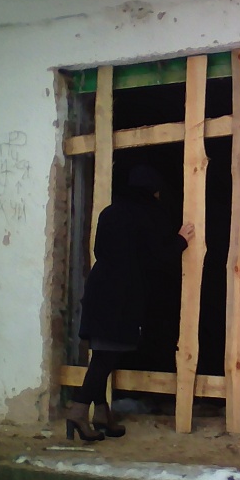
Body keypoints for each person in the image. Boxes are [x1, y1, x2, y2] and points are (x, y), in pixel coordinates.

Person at [66, 165, 195, 441]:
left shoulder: (109, 212)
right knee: (105, 358)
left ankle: (102, 415)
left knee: (102, 355)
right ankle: (78, 412)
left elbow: (99, 249)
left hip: (99, 287)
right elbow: (156, 258)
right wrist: (181, 241)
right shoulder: (147, 215)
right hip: (121, 294)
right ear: (154, 191)